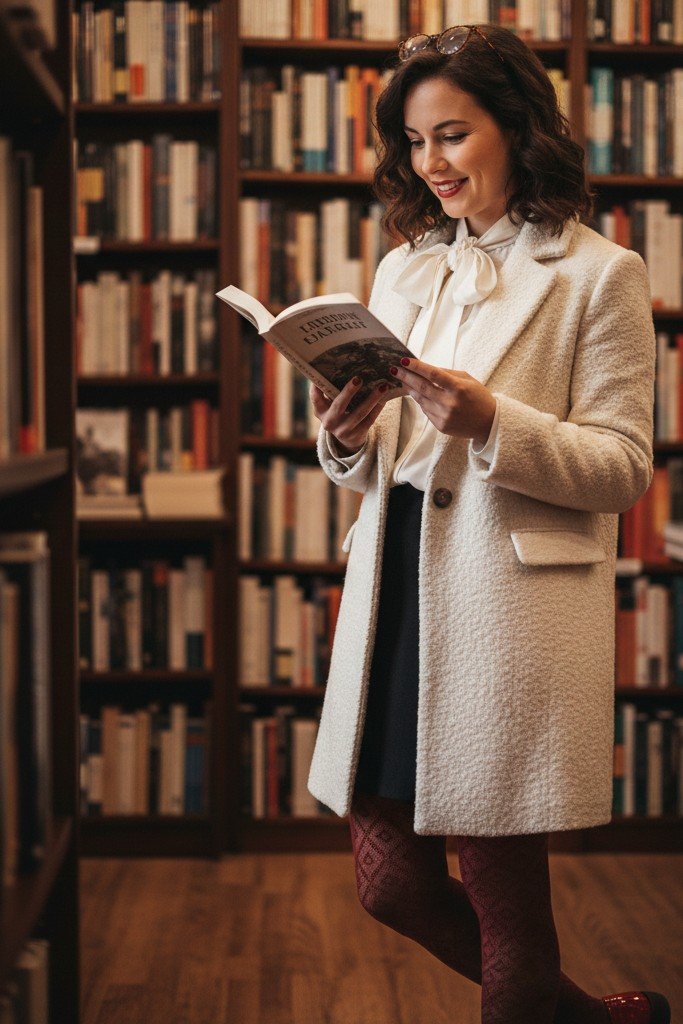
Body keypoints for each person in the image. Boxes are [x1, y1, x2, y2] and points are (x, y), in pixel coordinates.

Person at [306, 23, 670, 1024]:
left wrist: (491, 424)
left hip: (500, 618)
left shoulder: (599, 274)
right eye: (414, 142)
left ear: (516, 127)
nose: (430, 163)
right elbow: (375, 465)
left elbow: (621, 468)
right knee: (388, 886)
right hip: (392, 601)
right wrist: (343, 434)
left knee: (510, 941)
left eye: (452, 135)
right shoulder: (404, 270)